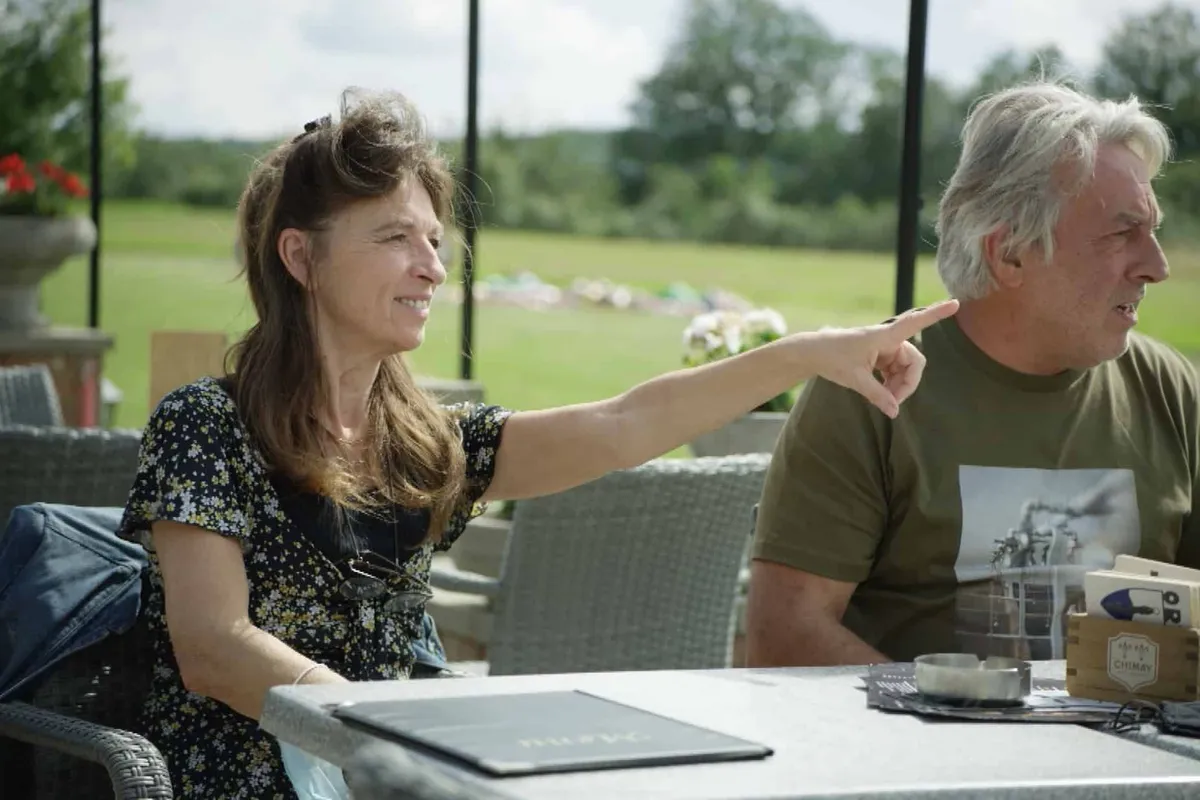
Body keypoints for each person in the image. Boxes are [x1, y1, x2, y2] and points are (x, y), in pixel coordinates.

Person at [115, 88, 956, 799]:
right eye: (395, 237)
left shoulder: (425, 444)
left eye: (436, 241)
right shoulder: (205, 425)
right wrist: (393, 735)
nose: (433, 267)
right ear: (300, 256)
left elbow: (626, 424)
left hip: (401, 773)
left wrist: (812, 354)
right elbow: (214, 649)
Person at [744, 80, 1200, 669]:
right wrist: (970, 734)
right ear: (1009, 253)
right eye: (1122, 233)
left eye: (1153, 230)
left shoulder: (1172, 389)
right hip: (924, 754)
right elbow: (784, 636)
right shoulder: (871, 386)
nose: (1157, 267)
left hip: (1136, 754)